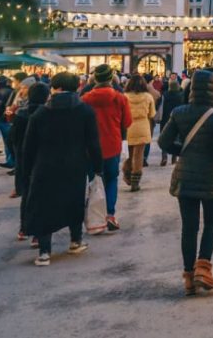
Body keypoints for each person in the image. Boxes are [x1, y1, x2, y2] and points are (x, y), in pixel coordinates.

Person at [158, 68, 213, 295]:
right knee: (212, 223)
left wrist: (182, 151)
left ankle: (189, 277)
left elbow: (163, 142)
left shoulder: (180, 112)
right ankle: (204, 267)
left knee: (189, 227)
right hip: (212, 175)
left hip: (185, 175)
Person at [22, 72, 103, 267]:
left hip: (45, 165)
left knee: (44, 205)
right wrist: (98, 167)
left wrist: (26, 170)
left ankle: (44, 252)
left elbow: (28, 146)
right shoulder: (85, 111)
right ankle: (75, 241)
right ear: (76, 88)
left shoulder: (40, 113)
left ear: (54, 88)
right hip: (75, 165)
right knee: (74, 201)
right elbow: (93, 143)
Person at [81, 64, 131, 231]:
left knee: (94, 181)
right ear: (111, 78)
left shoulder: (85, 98)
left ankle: (95, 218)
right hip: (112, 145)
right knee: (111, 180)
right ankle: (109, 214)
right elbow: (127, 123)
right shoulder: (120, 98)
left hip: (90, 147)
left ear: (95, 78)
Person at [10, 81, 49, 240]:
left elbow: (12, 138)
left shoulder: (21, 114)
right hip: (42, 159)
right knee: (42, 196)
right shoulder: (47, 113)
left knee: (27, 194)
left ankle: (24, 228)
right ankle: (38, 234)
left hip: (24, 158)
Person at [123, 75, 155, 192]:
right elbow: (152, 114)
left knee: (129, 154)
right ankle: (135, 180)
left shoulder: (124, 97)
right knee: (138, 155)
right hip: (142, 127)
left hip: (128, 127)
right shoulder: (148, 97)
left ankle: (127, 174)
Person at [158, 79, 185, 167]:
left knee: (164, 137)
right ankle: (174, 158)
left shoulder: (165, 95)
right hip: (178, 119)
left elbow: (160, 106)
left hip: (166, 118)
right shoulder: (181, 95)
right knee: (176, 138)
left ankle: (164, 156)